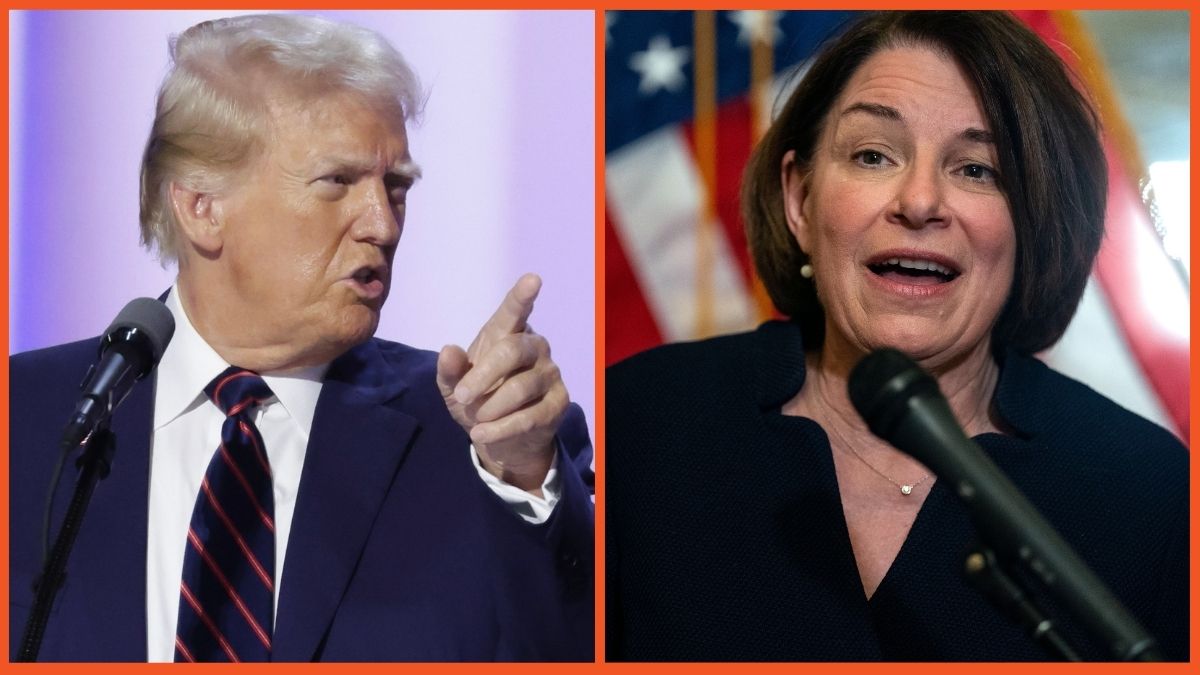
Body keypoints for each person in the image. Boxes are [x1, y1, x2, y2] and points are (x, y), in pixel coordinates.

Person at [606, 11, 1187, 661]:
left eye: (977, 169)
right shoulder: (643, 421)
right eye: (873, 155)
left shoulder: (1149, 493)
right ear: (800, 200)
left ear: (1033, 222)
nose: (918, 200)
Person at [10, 14, 593, 662]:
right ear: (202, 204)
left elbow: (577, 641)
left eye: (395, 186)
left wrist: (521, 474)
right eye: (337, 182)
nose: (382, 223)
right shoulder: (27, 419)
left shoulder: (484, 440)